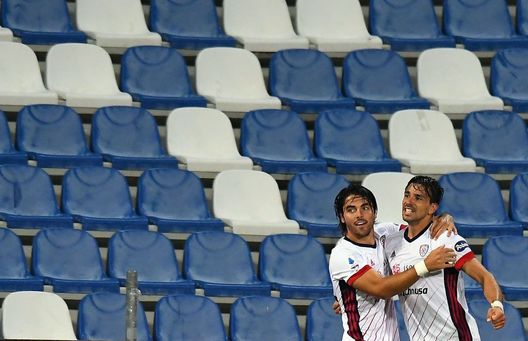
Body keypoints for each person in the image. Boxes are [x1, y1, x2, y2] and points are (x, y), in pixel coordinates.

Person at [384, 175, 505, 340]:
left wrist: (497, 305)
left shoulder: (446, 238)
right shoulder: (392, 242)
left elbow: (484, 276)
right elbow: (380, 283)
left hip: (455, 336)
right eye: (407, 195)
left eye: (418, 198)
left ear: (432, 207)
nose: (408, 201)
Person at [329, 184, 457, 341]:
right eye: (351, 210)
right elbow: (381, 289)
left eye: (365, 208)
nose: (359, 215)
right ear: (342, 217)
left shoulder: (387, 233)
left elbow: (421, 226)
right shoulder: (342, 254)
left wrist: (444, 218)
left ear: (374, 213)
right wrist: (425, 266)